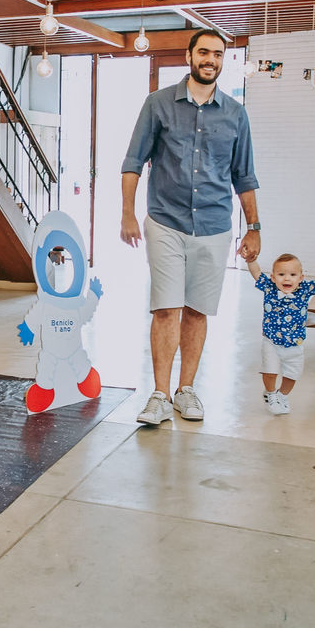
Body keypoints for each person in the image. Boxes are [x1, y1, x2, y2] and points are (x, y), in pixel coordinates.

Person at [120, 29, 261, 425]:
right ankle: (160, 395)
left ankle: (186, 391)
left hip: (215, 226)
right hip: (165, 220)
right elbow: (133, 161)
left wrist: (254, 226)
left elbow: (244, 175)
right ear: (189, 55)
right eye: (204, 51)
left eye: (217, 54)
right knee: (166, 308)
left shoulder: (235, 113)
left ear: (222, 60)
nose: (210, 59)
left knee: (197, 311)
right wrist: (128, 214)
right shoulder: (158, 104)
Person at [246, 253, 315, 415]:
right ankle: (270, 394)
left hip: (295, 343)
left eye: (292, 275)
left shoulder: (304, 290)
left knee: (293, 374)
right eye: (281, 274)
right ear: (273, 277)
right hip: (271, 340)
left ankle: (282, 395)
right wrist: (251, 260)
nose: (287, 279)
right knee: (270, 370)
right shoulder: (269, 288)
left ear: (300, 277)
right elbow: (256, 273)